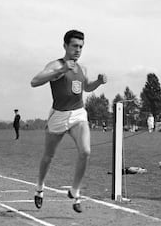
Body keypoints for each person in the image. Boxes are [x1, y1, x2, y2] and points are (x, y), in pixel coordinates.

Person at [30, 30, 107, 213]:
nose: (78, 50)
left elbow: (86, 87)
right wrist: (61, 70)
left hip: (78, 114)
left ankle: (75, 190)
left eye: (81, 47)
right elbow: (34, 81)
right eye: (74, 46)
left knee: (86, 151)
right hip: (58, 115)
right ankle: (40, 188)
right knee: (48, 156)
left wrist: (98, 82)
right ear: (65, 46)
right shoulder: (56, 64)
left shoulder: (83, 68)